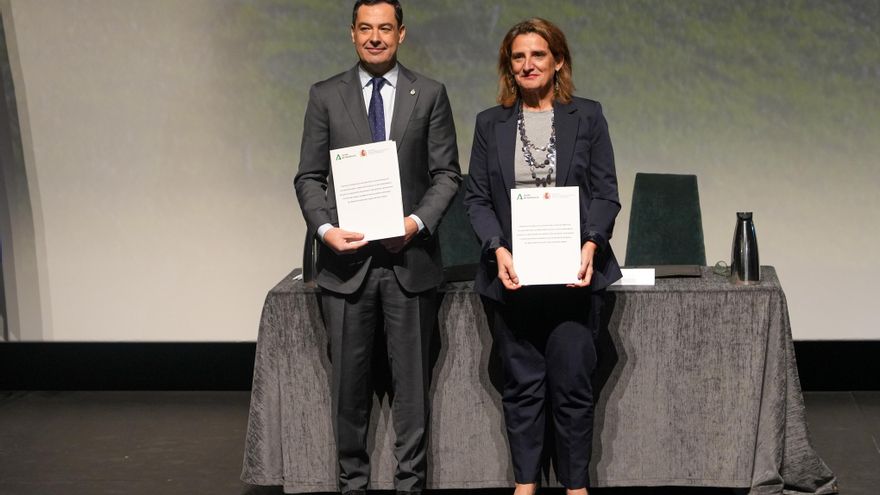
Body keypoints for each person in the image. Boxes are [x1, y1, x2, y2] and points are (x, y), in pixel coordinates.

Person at [293, 1, 461, 493]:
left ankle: (411, 486)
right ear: (352, 34)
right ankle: (353, 485)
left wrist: (414, 224)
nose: (375, 37)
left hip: (409, 263)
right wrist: (326, 230)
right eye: (365, 28)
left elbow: (447, 175)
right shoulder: (325, 95)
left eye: (385, 28)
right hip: (346, 266)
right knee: (348, 393)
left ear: (401, 34)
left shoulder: (428, 93)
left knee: (413, 394)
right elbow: (308, 176)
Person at [464, 18, 622, 495]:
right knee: (522, 386)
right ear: (508, 67)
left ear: (557, 61)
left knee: (574, 384)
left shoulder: (588, 116)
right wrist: (498, 248)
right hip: (513, 277)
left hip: (573, 277)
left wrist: (591, 242)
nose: (528, 65)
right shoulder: (489, 123)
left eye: (538, 55)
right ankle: (525, 483)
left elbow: (606, 192)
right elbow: (476, 199)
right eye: (518, 57)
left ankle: (576, 485)